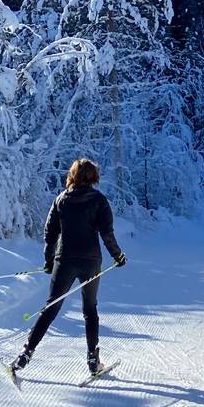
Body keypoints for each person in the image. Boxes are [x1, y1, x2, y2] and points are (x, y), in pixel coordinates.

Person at [12, 159, 127, 376]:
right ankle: (93, 360)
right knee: (90, 310)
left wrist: (48, 261)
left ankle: (25, 354)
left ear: (72, 175)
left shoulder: (60, 200)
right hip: (91, 261)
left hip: (64, 261)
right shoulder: (100, 201)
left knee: (51, 307)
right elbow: (107, 234)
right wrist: (118, 256)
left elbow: (50, 233)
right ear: (93, 177)